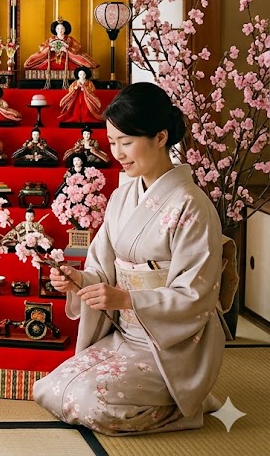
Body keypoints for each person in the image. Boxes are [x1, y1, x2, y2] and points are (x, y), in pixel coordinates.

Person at [34, 81, 227, 435]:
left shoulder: (193, 205)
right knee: (51, 390)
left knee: (94, 402)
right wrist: (77, 280)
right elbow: (99, 269)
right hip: (124, 335)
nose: (118, 153)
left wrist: (126, 298)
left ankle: (185, 405)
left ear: (160, 137)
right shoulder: (122, 198)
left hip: (171, 345)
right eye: (112, 143)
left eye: (126, 142)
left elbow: (196, 297)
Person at [22, 18, 100, 72]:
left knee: (77, 67)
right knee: (42, 66)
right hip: (52, 58)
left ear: (65, 29)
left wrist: (66, 49)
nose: (60, 30)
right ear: (55, 30)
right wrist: (49, 49)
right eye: (58, 29)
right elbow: (42, 47)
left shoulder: (69, 39)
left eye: (62, 29)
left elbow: (77, 48)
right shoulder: (51, 39)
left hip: (67, 58)